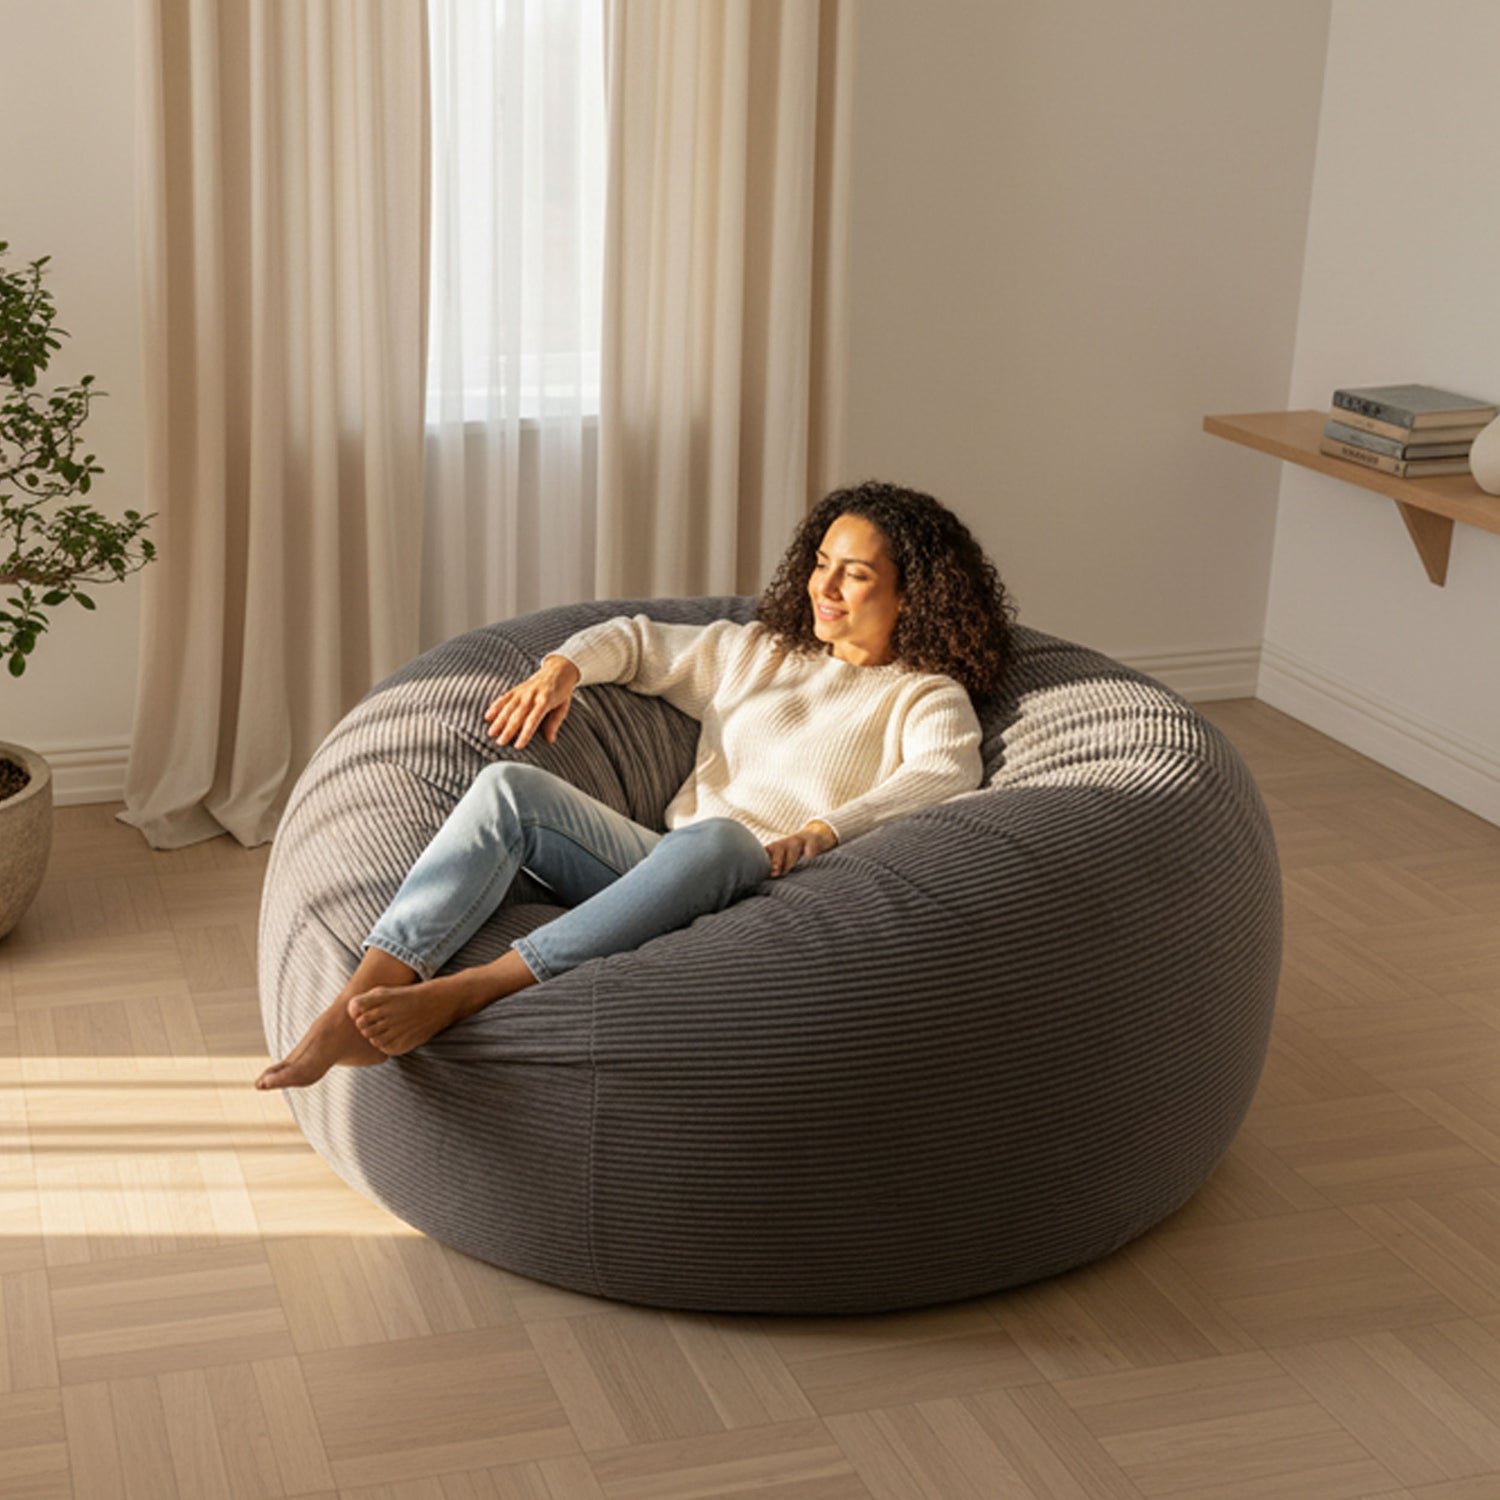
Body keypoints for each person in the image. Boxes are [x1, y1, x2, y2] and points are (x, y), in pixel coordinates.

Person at [255, 480, 1015, 1090]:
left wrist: (823, 832)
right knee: (507, 789)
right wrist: (562, 670)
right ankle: (361, 999)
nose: (827, 587)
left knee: (720, 839)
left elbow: (944, 773)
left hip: (770, 894)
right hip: (662, 867)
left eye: (856, 574)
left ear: (913, 594)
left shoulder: (923, 694)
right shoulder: (758, 650)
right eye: (821, 563)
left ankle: (475, 988)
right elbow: (635, 638)